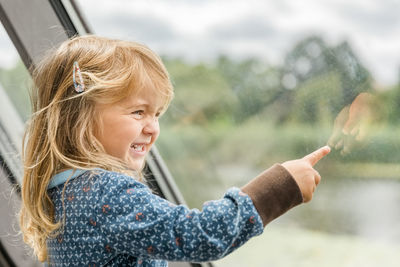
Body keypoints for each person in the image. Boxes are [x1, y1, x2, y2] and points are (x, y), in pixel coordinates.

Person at [19, 35, 330, 266]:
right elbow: (198, 236)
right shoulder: (106, 194)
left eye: (157, 114)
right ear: (80, 117)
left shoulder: (62, 190)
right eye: (138, 112)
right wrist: (280, 187)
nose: (153, 128)